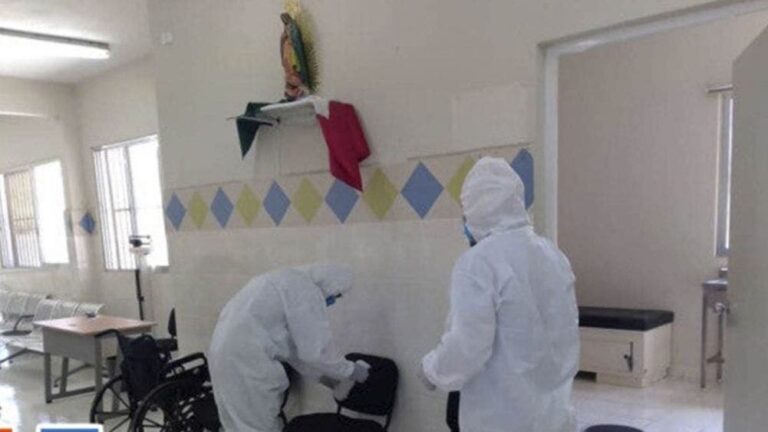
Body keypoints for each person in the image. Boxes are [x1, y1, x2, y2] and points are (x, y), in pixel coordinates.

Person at [421, 157, 580, 432]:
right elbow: (566, 333)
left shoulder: (478, 262)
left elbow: (467, 346)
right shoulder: (552, 254)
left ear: (475, 209)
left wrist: (431, 370)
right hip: (554, 413)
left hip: (501, 417)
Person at [209, 263, 370, 432]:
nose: (333, 300)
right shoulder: (305, 290)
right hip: (248, 360)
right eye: (337, 295)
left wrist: (326, 378)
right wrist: (350, 370)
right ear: (331, 284)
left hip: (224, 352)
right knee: (258, 422)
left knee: (237, 420)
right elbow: (315, 351)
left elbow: (293, 349)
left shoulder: (283, 280)